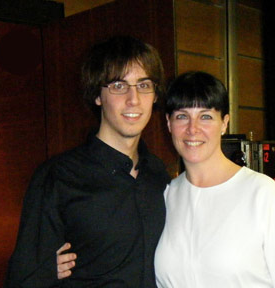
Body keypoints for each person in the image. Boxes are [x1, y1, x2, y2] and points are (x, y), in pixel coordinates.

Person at [58, 71, 275, 287]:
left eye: (206, 116)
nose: (193, 129)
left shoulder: (262, 193)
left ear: (225, 123)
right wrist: (54, 264)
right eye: (182, 116)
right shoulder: (165, 192)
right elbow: (125, 249)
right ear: (169, 124)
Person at [4, 35, 171, 287]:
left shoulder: (158, 174)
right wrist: (43, 270)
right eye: (118, 86)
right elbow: (23, 277)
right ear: (97, 95)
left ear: (155, 95)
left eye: (144, 85)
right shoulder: (57, 176)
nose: (134, 99)